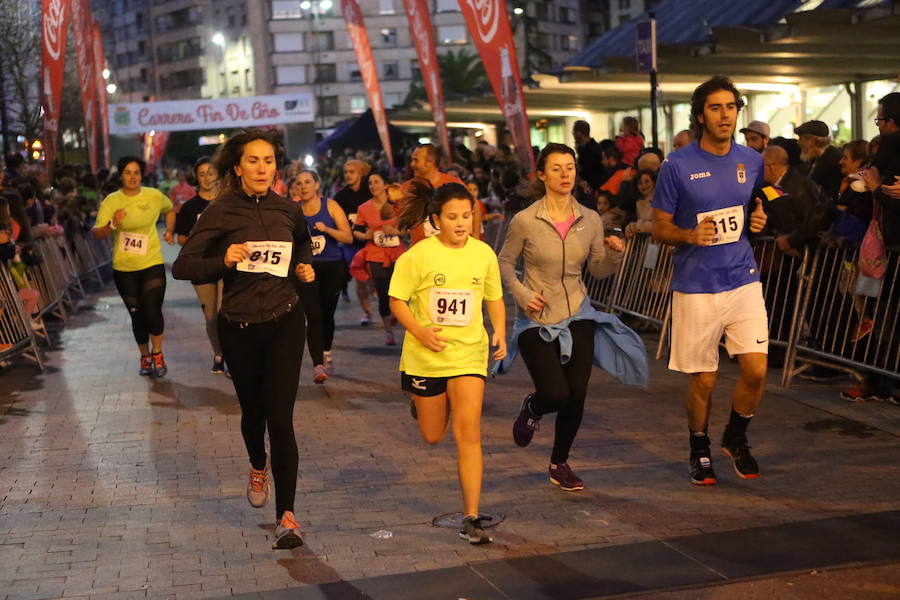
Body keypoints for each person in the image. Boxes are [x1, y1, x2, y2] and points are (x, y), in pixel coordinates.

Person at [171, 129, 316, 549]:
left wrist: (303, 267)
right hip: (239, 327)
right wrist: (224, 259)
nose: (262, 168)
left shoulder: (288, 209)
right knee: (253, 414)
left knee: (280, 417)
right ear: (237, 168)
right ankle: (257, 463)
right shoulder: (220, 211)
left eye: (268, 160)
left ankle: (287, 518)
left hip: (286, 320)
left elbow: (303, 244)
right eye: (253, 161)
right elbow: (184, 266)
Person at [497, 143, 647, 492]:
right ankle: (533, 406)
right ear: (542, 175)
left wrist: (612, 256)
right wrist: (521, 294)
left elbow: (597, 268)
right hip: (536, 317)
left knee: (576, 395)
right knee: (554, 393)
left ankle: (559, 463)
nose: (565, 174)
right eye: (557, 168)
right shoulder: (525, 220)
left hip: (578, 312)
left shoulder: (590, 219)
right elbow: (503, 262)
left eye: (570, 167)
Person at [651, 75, 769, 486]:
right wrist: (687, 235)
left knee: (756, 370)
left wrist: (758, 219)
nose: (725, 115)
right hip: (696, 284)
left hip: (742, 276)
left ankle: (736, 437)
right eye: (715, 107)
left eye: (731, 107)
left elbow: (754, 206)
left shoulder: (751, 159)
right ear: (700, 115)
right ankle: (699, 445)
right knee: (704, 379)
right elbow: (659, 226)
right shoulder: (677, 165)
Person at [388, 180, 507, 545]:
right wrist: (420, 332)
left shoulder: (483, 253)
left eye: (467, 216)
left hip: (469, 353)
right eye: (452, 217)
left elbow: (494, 297)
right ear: (436, 219)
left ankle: (471, 515)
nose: (461, 224)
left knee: (468, 432)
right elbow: (397, 301)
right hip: (426, 358)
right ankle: (422, 405)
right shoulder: (417, 256)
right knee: (432, 435)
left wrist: (500, 330)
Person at [93, 156, 176, 378]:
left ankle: (157, 353)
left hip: (151, 262)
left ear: (142, 175)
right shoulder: (112, 201)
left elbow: (170, 209)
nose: (132, 177)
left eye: (136, 172)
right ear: (121, 176)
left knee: (152, 309)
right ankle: (144, 356)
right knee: (137, 315)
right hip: (124, 267)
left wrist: (169, 231)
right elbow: (97, 232)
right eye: (128, 173)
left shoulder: (154, 195)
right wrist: (113, 224)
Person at [294, 169, 353, 381]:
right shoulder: (295, 211)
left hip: (332, 266)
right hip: (308, 269)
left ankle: (326, 352)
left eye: (308, 182)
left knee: (327, 313)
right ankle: (318, 365)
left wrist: (327, 229)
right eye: (299, 183)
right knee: (313, 315)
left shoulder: (330, 205)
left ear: (317, 185)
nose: (303, 186)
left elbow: (347, 237)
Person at [174, 157, 226, 374]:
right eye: (202, 174)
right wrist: (198, 238)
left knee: (226, 312)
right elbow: (181, 238)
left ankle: (233, 354)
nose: (207, 178)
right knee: (211, 316)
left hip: (226, 263)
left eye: (211, 173)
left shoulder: (227, 202)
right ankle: (218, 354)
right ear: (196, 177)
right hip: (200, 266)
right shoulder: (189, 207)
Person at [353, 173, 406, 345]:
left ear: (385, 185)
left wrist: (396, 232)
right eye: (370, 183)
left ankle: (396, 315)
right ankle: (389, 332)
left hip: (397, 253)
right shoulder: (364, 208)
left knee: (401, 291)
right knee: (383, 293)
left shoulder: (397, 205)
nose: (373, 185)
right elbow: (356, 230)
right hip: (375, 254)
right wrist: (365, 234)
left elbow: (410, 229)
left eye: (376, 182)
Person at [334, 159, 374, 325]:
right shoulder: (341, 196)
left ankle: (384, 304)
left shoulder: (369, 192)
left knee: (374, 280)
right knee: (360, 280)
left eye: (352, 172)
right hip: (352, 245)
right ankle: (367, 312)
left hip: (371, 242)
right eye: (346, 172)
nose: (348, 175)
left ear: (360, 174)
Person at [795, 120, 843, 201]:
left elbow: (830, 193)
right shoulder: (815, 157)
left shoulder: (833, 159)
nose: (798, 142)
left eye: (801, 138)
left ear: (812, 141)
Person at [572, 120, 606, 191]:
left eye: (574, 133)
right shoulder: (587, 148)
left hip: (592, 186)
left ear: (578, 133)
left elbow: (588, 168)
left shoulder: (592, 149)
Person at [625, 169, 657, 237]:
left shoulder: (660, 199)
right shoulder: (639, 202)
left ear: (653, 182)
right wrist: (631, 227)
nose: (644, 185)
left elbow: (659, 225)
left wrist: (637, 226)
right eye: (640, 183)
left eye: (646, 181)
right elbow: (641, 223)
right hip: (649, 242)